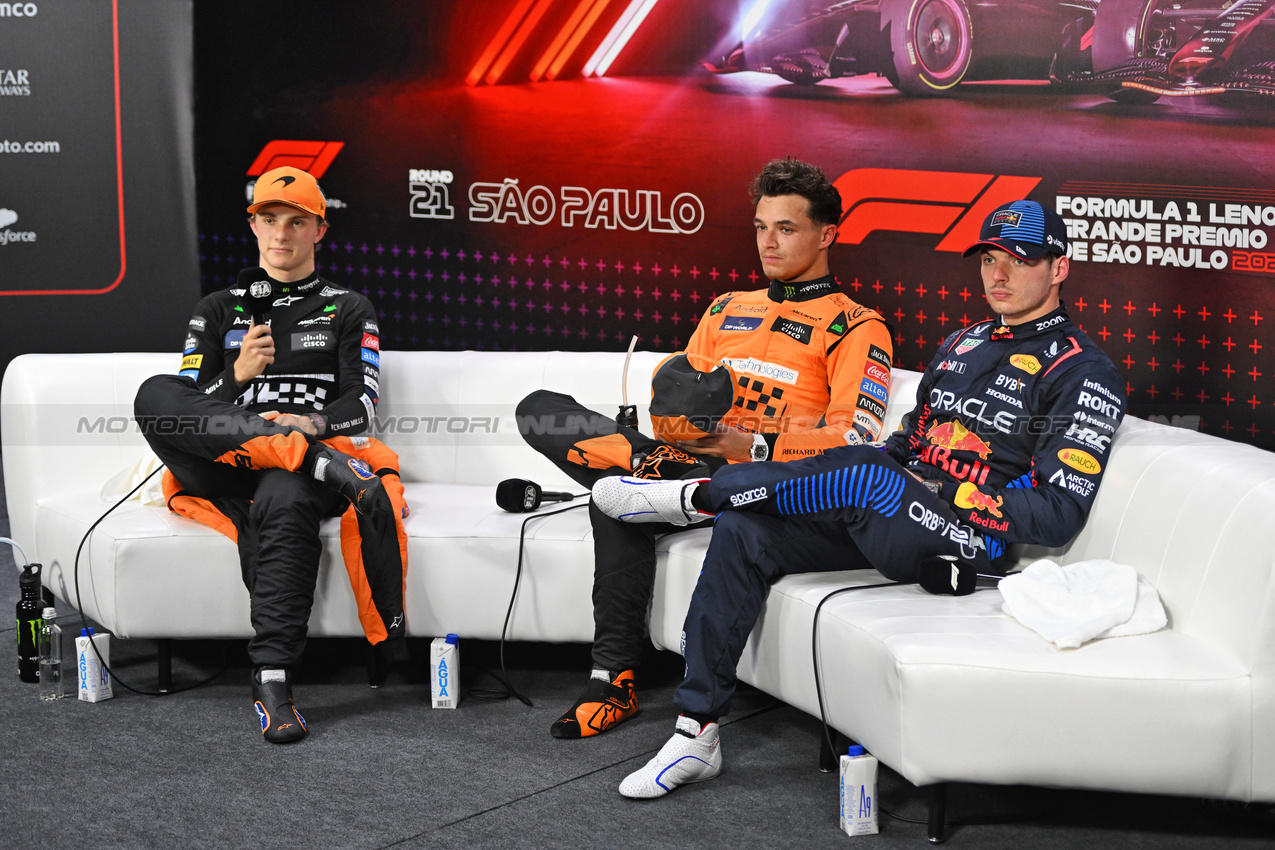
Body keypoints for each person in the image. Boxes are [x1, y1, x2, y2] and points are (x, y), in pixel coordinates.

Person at [592, 199, 1127, 798]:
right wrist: (904, 476)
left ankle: (694, 496)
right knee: (745, 531)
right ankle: (696, 733)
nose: (997, 276)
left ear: (1059, 269)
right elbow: (905, 445)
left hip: (973, 544)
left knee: (868, 472)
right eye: (988, 259)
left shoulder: (1085, 371)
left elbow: (1057, 514)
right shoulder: (964, 343)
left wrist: (939, 489)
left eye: (1019, 261)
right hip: (891, 513)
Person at [516, 157, 894, 739]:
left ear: (827, 234)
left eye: (786, 228)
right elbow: (672, 416)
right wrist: (681, 433)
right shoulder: (725, 307)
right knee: (542, 409)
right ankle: (667, 481)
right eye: (761, 227)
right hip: (693, 459)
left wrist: (756, 444)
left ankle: (611, 679)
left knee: (612, 501)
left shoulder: (856, 325)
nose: (768, 242)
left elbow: (855, 442)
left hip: (771, 481)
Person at [132, 166, 408, 744]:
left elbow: (363, 406)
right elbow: (184, 404)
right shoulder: (215, 309)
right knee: (151, 393)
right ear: (253, 226)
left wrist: (308, 422)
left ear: (320, 231)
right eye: (269, 220)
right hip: (224, 460)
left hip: (303, 457)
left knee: (285, 489)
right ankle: (302, 457)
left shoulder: (349, 307)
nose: (281, 235)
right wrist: (235, 377)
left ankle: (272, 678)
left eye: (297, 222)